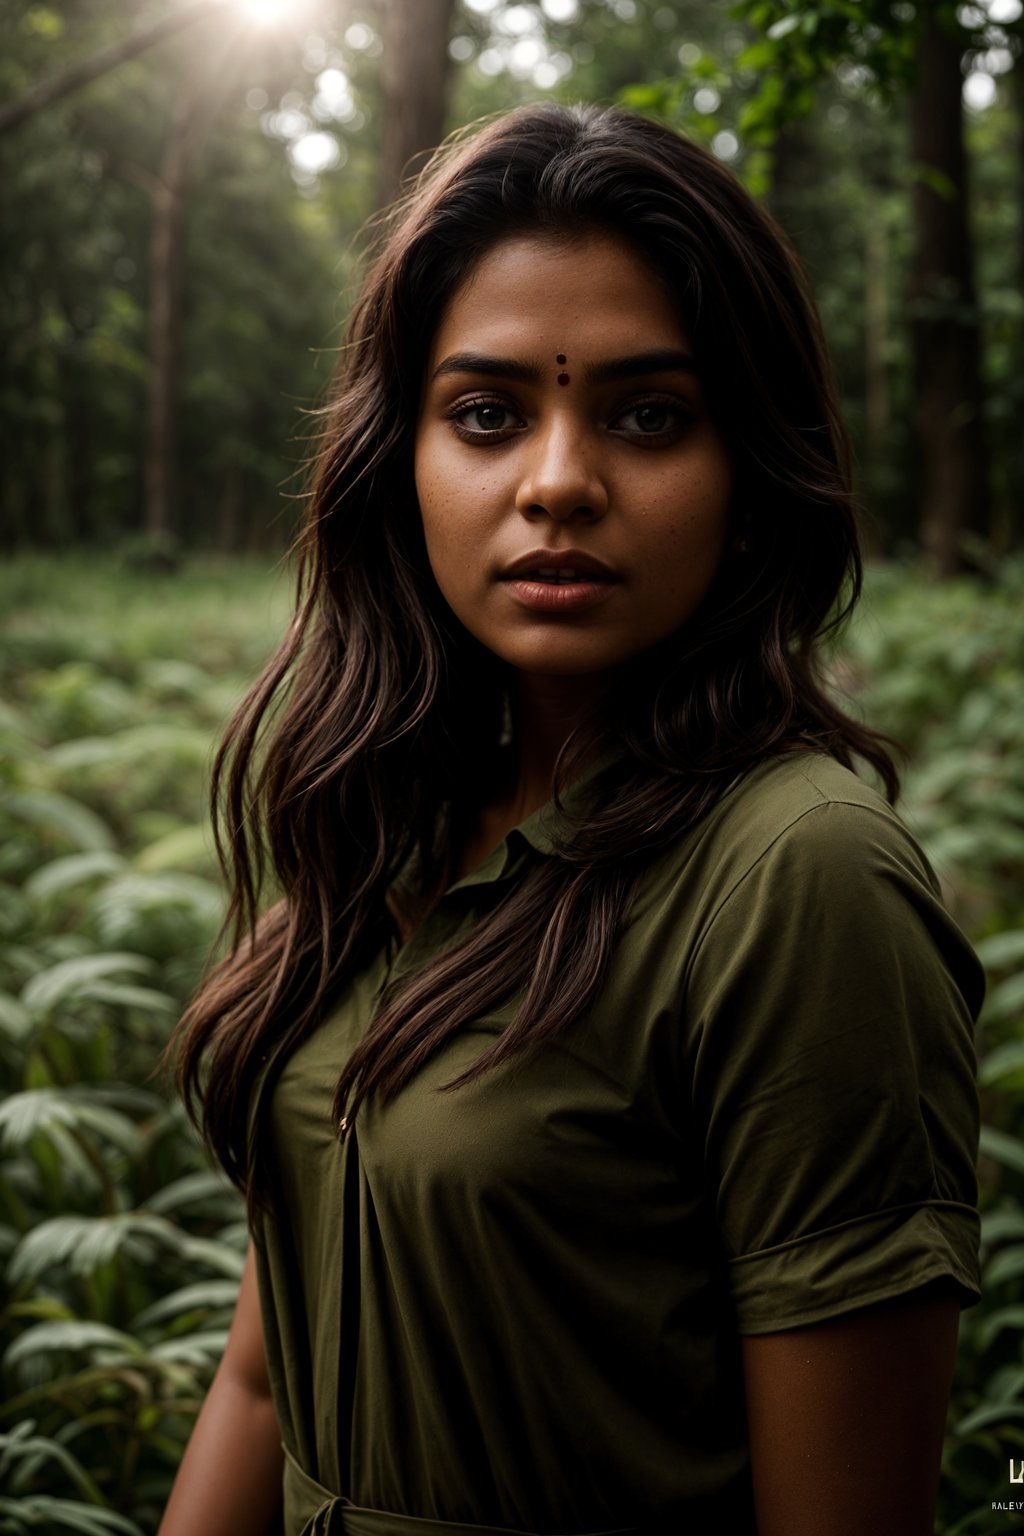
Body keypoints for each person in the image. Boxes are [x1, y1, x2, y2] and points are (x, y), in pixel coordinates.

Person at [160, 102, 983, 1536]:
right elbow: (260, 1388)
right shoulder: (384, 816)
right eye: (486, 414)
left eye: (648, 415)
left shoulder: (799, 882)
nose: (556, 484)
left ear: (747, 472)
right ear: (397, 459)